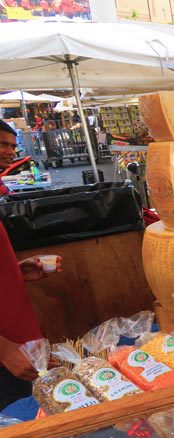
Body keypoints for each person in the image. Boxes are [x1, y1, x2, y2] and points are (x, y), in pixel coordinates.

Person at [0, 120, 63, 409]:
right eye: (2, 144)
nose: (10, 152)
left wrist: (15, 271)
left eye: (13, 145)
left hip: (17, 344)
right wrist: (4, 350)